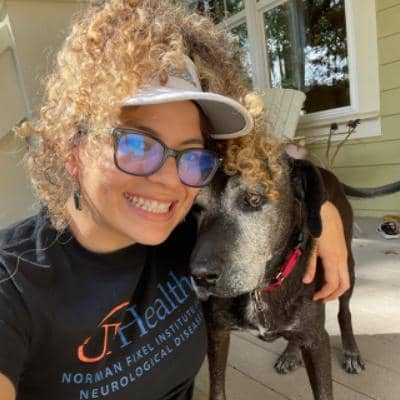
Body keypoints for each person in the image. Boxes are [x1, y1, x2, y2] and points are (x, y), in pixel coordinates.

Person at [0, 1, 349, 399]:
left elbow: (279, 183)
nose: (171, 180)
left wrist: (321, 211)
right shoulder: (14, 283)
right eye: (136, 144)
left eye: (192, 153)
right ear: (70, 149)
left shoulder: (189, 231)